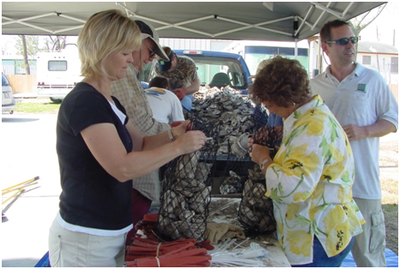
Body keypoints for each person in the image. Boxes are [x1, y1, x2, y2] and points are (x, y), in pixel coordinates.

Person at [48, 10, 207, 267]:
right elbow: (121, 168)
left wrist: (173, 133)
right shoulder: (85, 102)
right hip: (86, 238)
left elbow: (142, 144)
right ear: (102, 51)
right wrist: (178, 147)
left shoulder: (111, 102)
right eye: (124, 53)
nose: (131, 60)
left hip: (110, 233)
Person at [248, 56, 365, 267]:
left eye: (270, 105)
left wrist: (263, 159)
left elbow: (291, 189)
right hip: (319, 227)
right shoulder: (309, 115)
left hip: (317, 236)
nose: (270, 111)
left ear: (285, 98)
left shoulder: (312, 127)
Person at [310, 19, 398, 267]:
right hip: (324, 187)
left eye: (352, 40)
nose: (350, 45)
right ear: (325, 47)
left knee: (369, 257)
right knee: (324, 257)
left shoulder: (372, 80)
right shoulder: (313, 87)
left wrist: (364, 130)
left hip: (362, 184)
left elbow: (392, 120)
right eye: (342, 41)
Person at [110, 20, 173, 243]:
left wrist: (172, 135)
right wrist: (175, 138)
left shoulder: (128, 78)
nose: (151, 58)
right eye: (150, 50)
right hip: (132, 183)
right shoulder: (120, 79)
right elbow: (140, 131)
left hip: (134, 178)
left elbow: (139, 132)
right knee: (122, 245)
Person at [154, 46, 201, 112]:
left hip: (185, 95)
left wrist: (184, 91)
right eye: (164, 67)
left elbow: (196, 83)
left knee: (181, 109)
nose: (168, 69)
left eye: (169, 65)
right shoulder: (157, 67)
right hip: (165, 94)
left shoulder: (187, 63)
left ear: (174, 57)